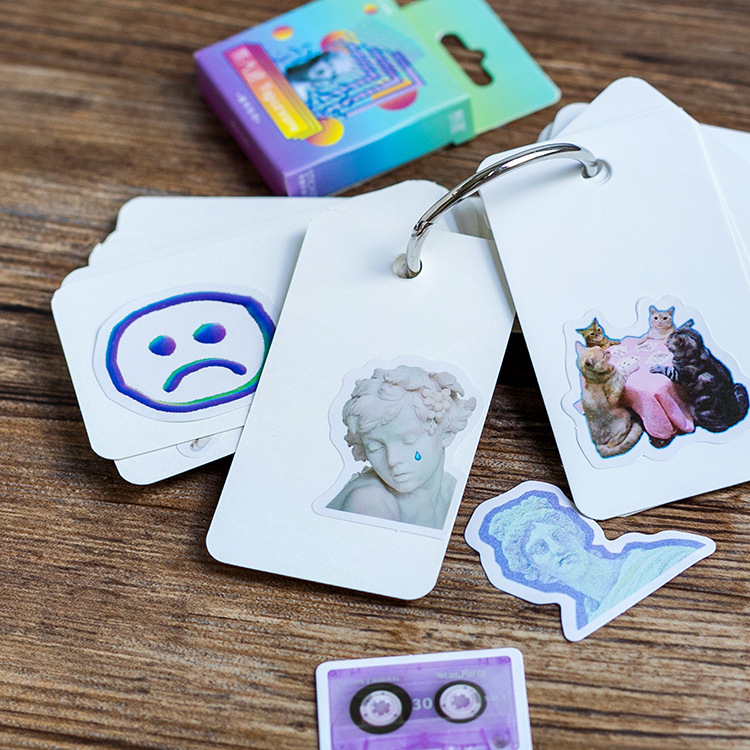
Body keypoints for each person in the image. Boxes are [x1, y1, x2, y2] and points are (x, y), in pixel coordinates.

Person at [483, 492, 703, 625]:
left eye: (558, 535)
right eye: (540, 548)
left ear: (575, 533)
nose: (557, 549)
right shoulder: (593, 616)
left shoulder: (658, 561)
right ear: (532, 568)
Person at [326, 365, 476, 529]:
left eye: (408, 440)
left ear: (446, 433)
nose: (392, 460)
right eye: (375, 447)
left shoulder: (454, 489)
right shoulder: (370, 502)